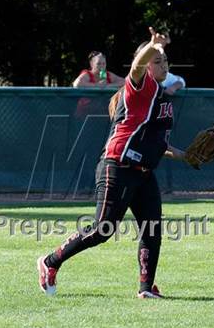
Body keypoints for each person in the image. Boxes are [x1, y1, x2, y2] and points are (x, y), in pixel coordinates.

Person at [38, 27, 186, 299]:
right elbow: (140, 63)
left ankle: (146, 289)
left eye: (165, 60)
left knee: (152, 228)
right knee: (103, 229)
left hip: (143, 172)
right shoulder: (138, 86)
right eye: (157, 60)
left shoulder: (160, 97)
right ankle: (50, 262)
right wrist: (152, 46)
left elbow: (157, 144)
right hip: (117, 165)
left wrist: (186, 156)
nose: (162, 64)